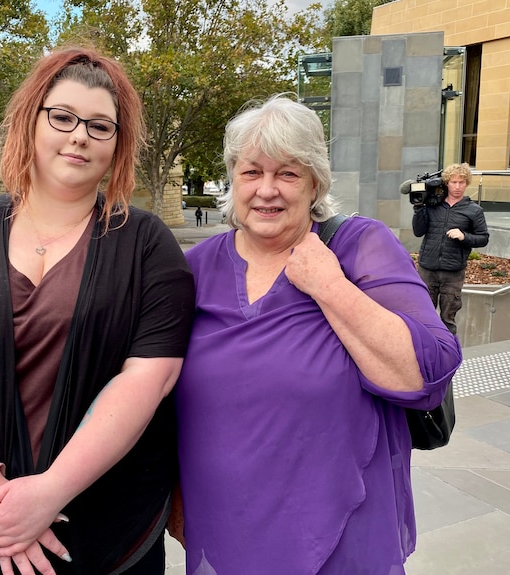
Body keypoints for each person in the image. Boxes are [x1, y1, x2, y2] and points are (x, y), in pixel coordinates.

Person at [0, 46, 195, 575]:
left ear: (117, 145)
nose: (80, 135)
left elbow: (149, 378)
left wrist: (49, 494)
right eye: (63, 116)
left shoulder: (146, 245)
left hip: (111, 533)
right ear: (32, 121)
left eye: (101, 126)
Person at [169, 95, 462, 574]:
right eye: (251, 172)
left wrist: (330, 286)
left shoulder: (358, 246)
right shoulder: (195, 268)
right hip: (223, 524)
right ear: (232, 179)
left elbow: (425, 374)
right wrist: (175, 501)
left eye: (288, 173)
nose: (267, 190)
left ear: (315, 184)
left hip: (340, 527)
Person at [412, 162, 489, 334]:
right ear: (446, 183)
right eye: (453, 182)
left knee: (447, 320)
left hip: (453, 272)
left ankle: (447, 355)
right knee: (424, 317)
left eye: (461, 182)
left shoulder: (474, 211)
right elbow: (418, 232)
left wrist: (464, 236)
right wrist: (418, 209)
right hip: (427, 269)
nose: (457, 186)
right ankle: (425, 355)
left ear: (467, 183)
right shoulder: (433, 206)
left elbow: (483, 238)